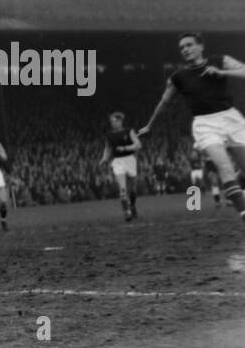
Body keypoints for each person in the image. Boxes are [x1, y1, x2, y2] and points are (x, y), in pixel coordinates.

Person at [139, 32, 245, 221]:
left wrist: (222, 73)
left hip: (232, 119)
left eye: (189, 45)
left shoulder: (220, 61)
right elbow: (164, 103)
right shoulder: (178, 77)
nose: (185, 50)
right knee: (225, 168)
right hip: (205, 124)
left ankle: (237, 193)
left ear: (201, 46)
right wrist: (149, 126)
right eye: (181, 48)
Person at [97, 111, 142, 221]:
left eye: (115, 121)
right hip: (118, 162)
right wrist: (104, 158)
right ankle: (127, 213)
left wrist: (126, 148)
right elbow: (107, 148)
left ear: (121, 121)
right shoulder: (109, 135)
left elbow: (138, 145)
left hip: (130, 160)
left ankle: (132, 205)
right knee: (122, 188)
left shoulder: (129, 131)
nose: (113, 123)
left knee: (132, 189)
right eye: (111, 121)